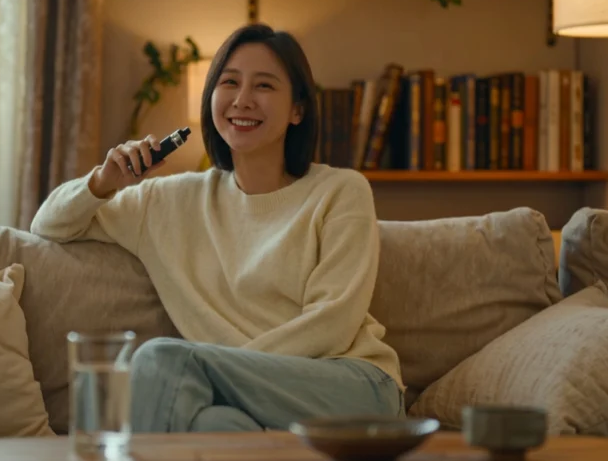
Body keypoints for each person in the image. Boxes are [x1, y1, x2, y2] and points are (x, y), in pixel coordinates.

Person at [30, 22, 404, 433]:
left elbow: (330, 325)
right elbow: (49, 225)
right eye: (229, 82)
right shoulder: (167, 202)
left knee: (161, 359)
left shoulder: (341, 191)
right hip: (234, 392)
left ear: (297, 110)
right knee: (214, 424)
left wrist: (218, 369)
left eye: (264, 86)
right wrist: (103, 182)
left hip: (349, 386)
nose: (242, 100)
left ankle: (111, 457)